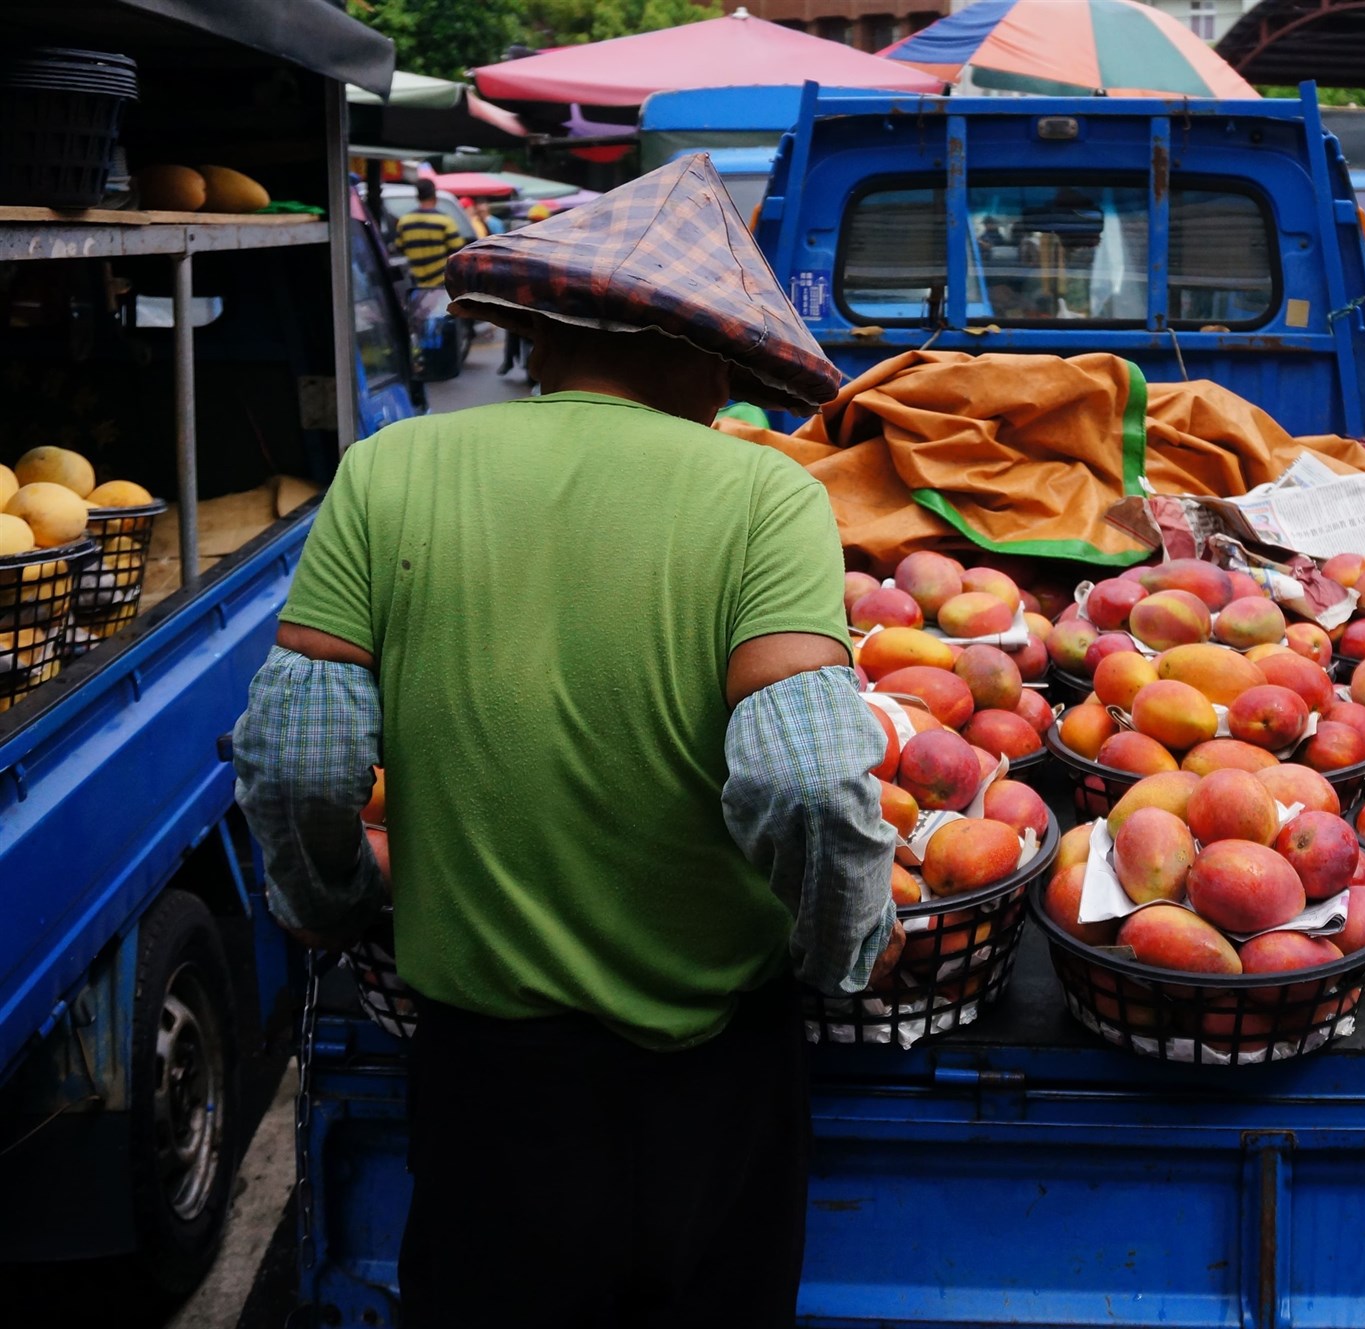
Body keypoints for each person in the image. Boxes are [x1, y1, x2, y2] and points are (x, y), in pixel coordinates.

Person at [232, 157, 901, 1327]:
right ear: (699, 354)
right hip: (711, 1071)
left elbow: (293, 755)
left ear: (539, 331)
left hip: (485, 1080)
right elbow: (802, 785)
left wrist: (334, 899)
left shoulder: (390, 471)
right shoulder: (764, 499)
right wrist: (844, 949)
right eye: (731, 373)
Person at [392, 178, 465, 288]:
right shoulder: (444, 221)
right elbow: (457, 250)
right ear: (434, 196)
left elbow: (399, 247)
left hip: (416, 285)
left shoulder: (404, 222)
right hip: (440, 284)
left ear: (418, 197)